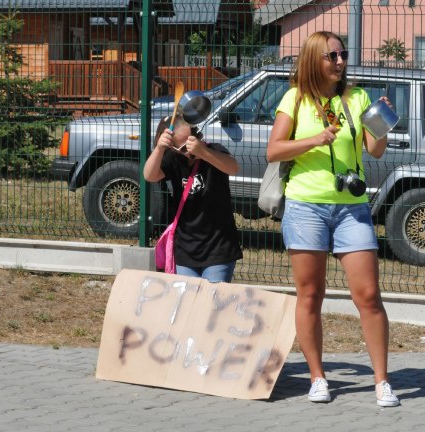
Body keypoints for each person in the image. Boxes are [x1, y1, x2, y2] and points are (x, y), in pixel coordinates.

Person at [266, 31, 400, 407]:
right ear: (314, 60)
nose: (340, 62)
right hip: (306, 205)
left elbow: (374, 151)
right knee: (310, 294)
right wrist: (314, 140)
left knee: (369, 295)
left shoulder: (356, 97)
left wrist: (380, 122)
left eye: (343, 54)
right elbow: (273, 151)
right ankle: (317, 377)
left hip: (351, 208)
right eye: (332, 56)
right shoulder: (295, 98)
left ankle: (381, 381)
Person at [144, 115, 243, 283]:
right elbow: (149, 175)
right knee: (188, 303)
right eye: (184, 148)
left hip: (218, 248)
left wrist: (204, 153)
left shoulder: (214, 151)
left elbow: (233, 168)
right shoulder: (174, 160)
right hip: (186, 249)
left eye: (193, 141)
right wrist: (159, 149)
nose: (190, 151)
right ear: (174, 148)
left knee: (210, 303)